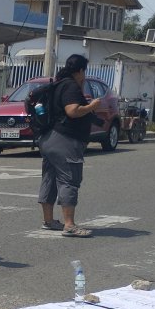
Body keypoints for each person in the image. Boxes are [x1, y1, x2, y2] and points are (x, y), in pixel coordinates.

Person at [39, 54, 100, 238]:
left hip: (49, 139)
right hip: (65, 140)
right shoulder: (70, 86)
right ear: (81, 70)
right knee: (69, 180)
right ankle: (69, 225)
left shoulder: (59, 83)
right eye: (84, 71)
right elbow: (72, 111)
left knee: (49, 179)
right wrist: (92, 105)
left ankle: (49, 221)